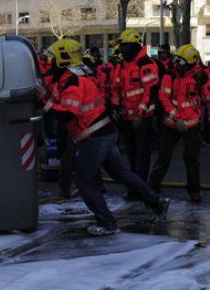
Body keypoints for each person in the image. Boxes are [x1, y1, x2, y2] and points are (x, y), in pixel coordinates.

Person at [43, 38, 169, 236]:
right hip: (105, 131)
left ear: (63, 59)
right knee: (121, 173)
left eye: (52, 59)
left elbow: (68, 113)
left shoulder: (72, 79)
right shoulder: (79, 74)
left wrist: (45, 104)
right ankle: (156, 201)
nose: (49, 63)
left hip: (95, 136)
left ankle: (108, 223)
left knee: (84, 180)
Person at [149, 45, 210, 203]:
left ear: (190, 63)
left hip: (192, 124)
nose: (177, 64)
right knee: (163, 158)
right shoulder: (170, 75)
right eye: (176, 60)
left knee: (192, 160)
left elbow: (208, 100)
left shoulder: (201, 77)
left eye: (181, 62)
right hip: (171, 123)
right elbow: (164, 98)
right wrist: (176, 118)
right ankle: (152, 190)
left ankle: (194, 191)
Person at [110, 29, 160, 195]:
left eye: (124, 46)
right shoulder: (122, 64)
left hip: (142, 117)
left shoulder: (146, 63)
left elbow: (150, 90)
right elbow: (116, 87)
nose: (122, 49)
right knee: (131, 154)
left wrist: (140, 114)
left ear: (134, 45)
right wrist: (116, 107)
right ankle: (134, 187)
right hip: (125, 116)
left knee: (142, 154)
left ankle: (142, 189)